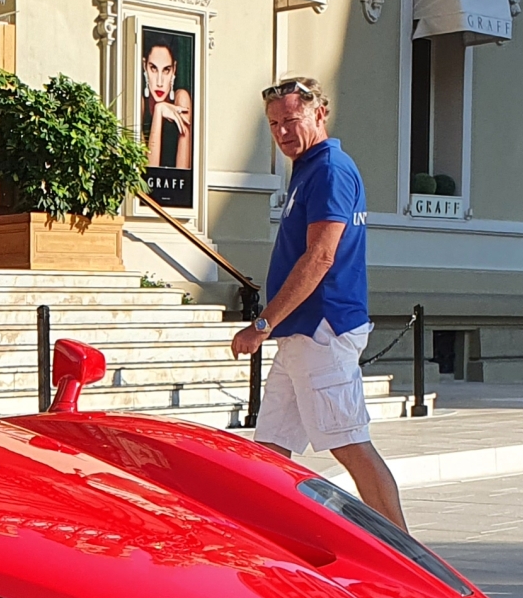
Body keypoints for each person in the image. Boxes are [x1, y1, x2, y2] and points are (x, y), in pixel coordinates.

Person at [231, 77, 403, 528]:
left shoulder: (329, 169)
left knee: (350, 444)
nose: (283, 132)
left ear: (319, 113)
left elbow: (321, 256)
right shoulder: (309, 169)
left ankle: (411, 560)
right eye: (274, 124)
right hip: (300, 335)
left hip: (321, 331)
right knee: (270, 447)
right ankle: (266, 539)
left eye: (291, 119)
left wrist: (262, 324)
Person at [143, 41, 192, 170]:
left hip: (175, 189)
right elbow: (147, 173)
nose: (160, 82)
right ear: (144, 66)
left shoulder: (181, 99)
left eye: (166, 70)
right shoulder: (141, 104)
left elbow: (183, 171)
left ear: (174, 70)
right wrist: (159, 112)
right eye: (153, 68)